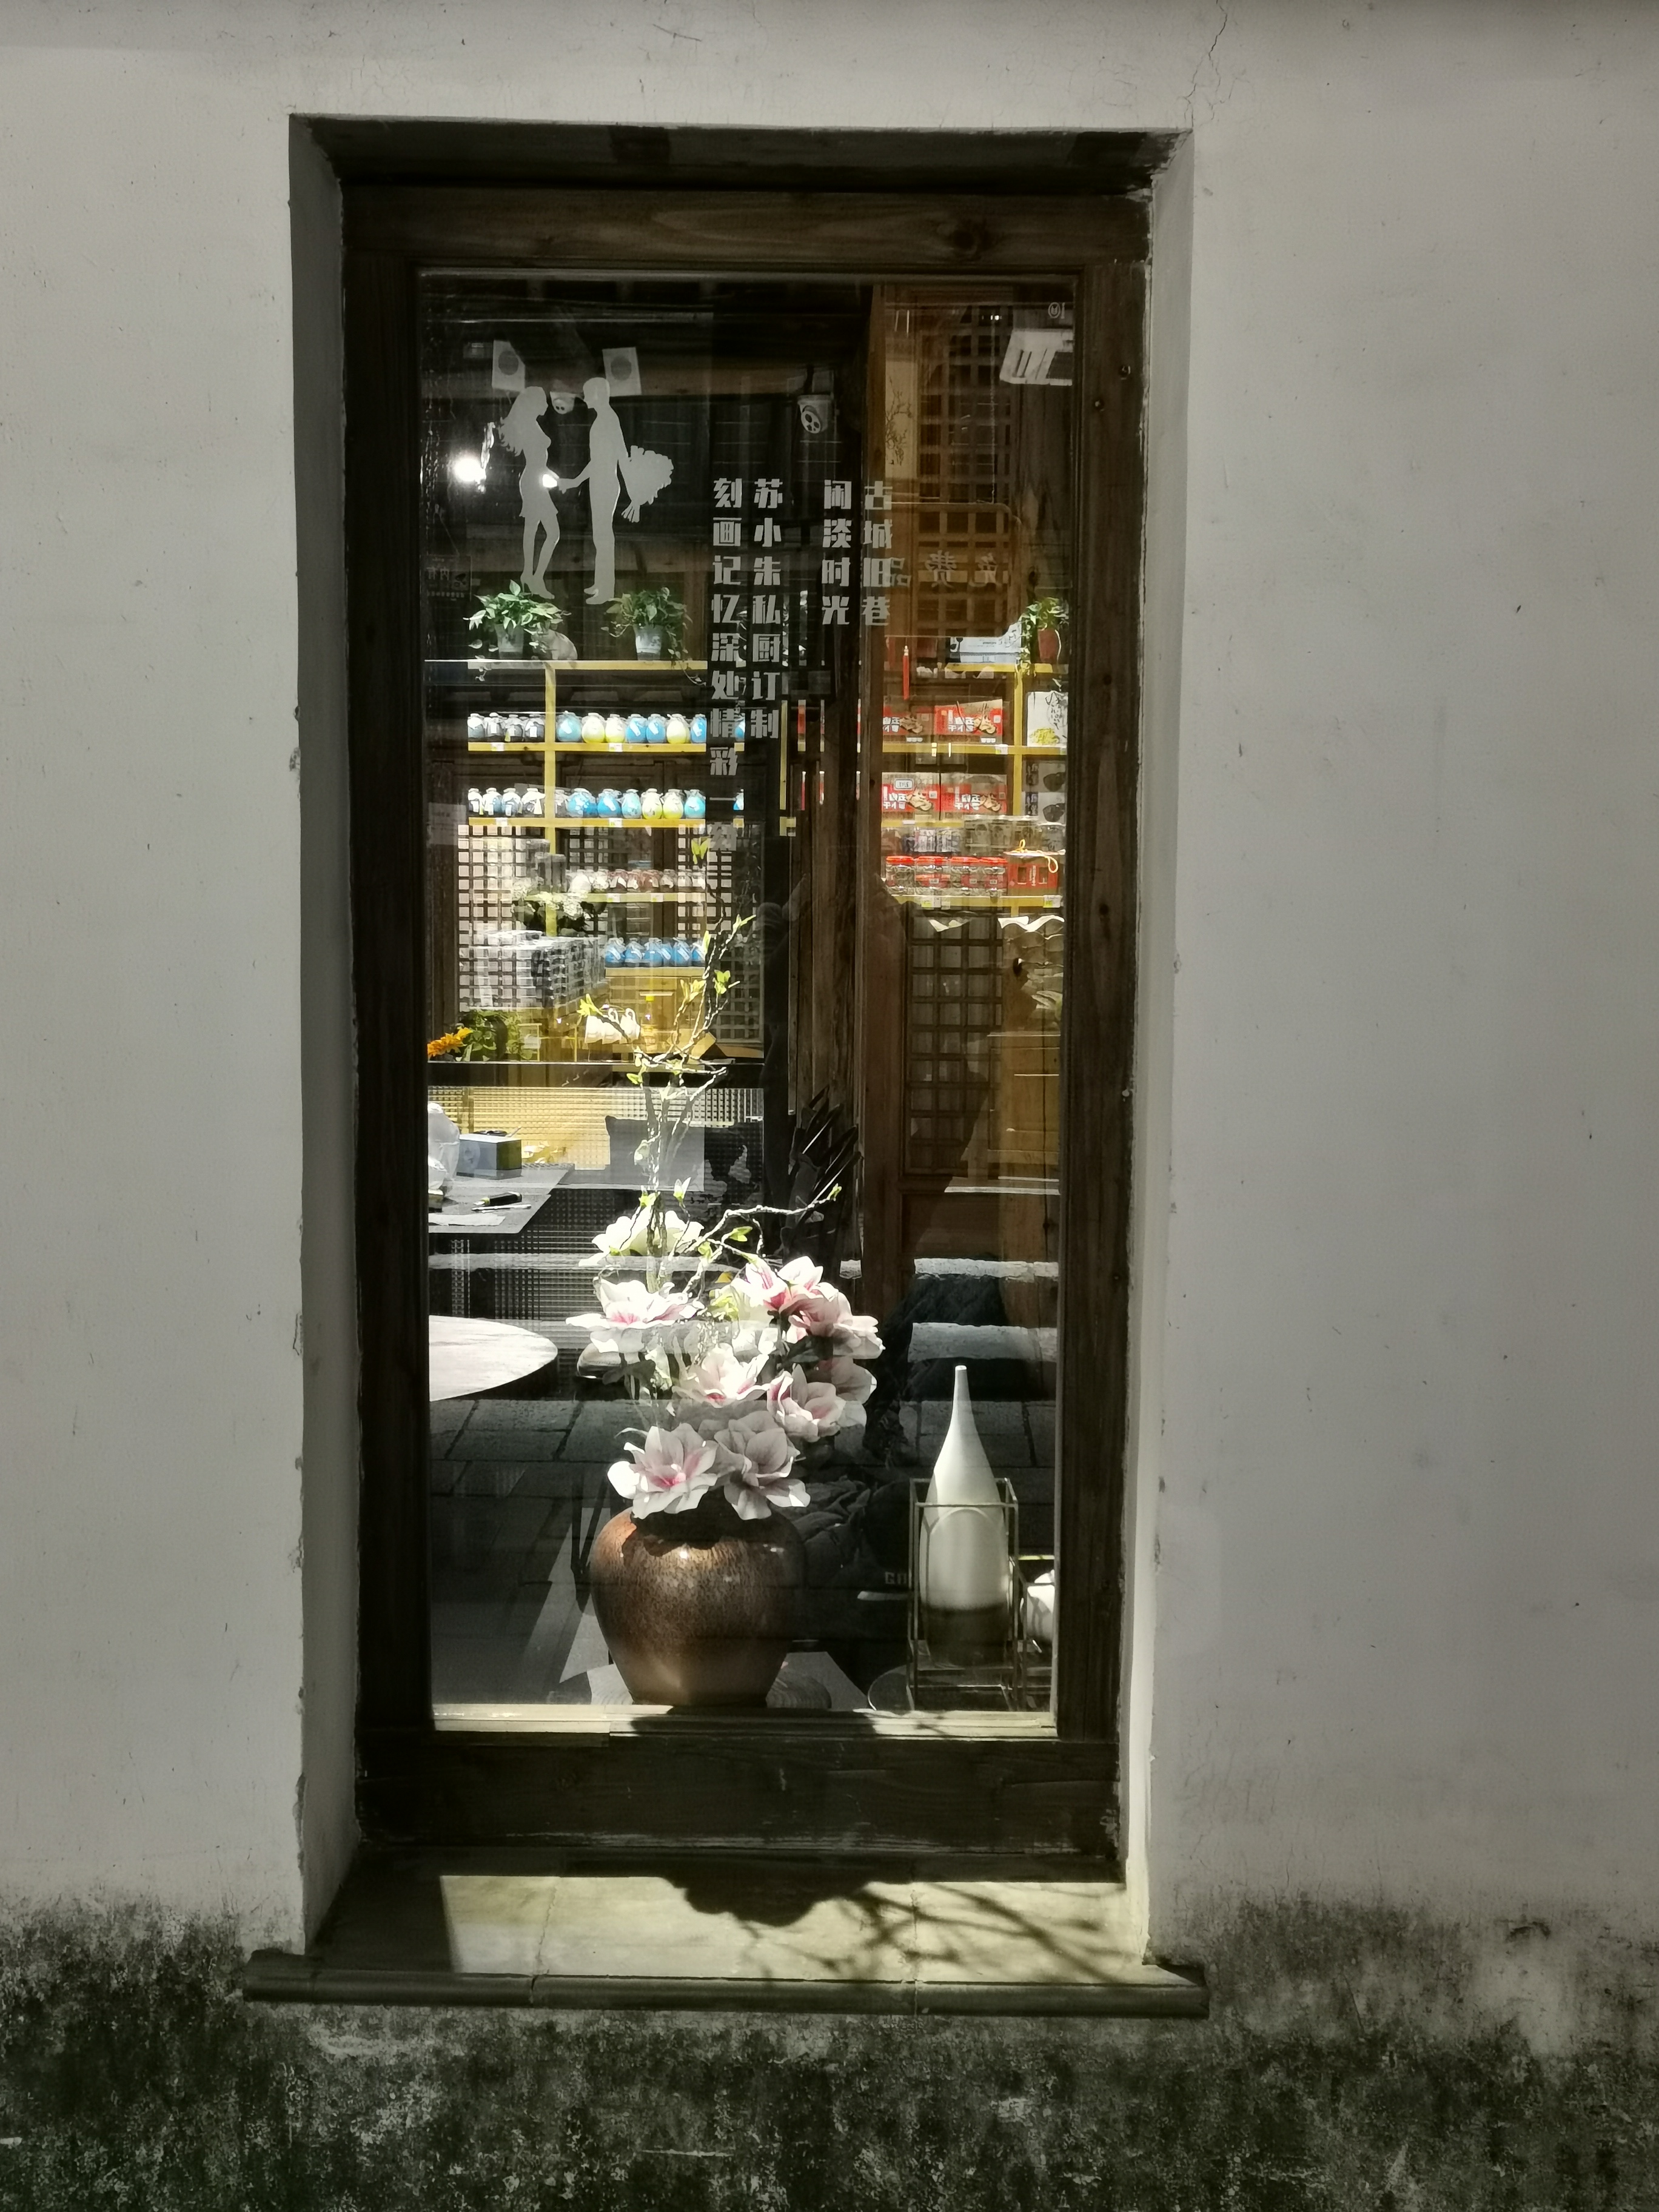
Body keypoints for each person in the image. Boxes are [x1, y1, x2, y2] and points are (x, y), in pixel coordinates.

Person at [558, 376, 672, 603]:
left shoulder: (608, 419)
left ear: (598, 394)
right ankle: (601, 583)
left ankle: (606, 588)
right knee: (599, 537)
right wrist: (575, 481)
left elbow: (619, 458)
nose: (585, 398)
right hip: (599, 483)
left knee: (604, 537)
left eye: (588, 394)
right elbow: (598, 460)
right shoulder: (603, 419)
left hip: (606, 484)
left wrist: (635, 494)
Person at [498, 385, 560, 597]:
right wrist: (551, 476)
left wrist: (553, 476)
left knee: (534, 529)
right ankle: (534, 577)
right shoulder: (528, 427)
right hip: (534, 481)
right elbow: (536, 462)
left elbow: (539, 462)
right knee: (550, 532)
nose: (547, 406)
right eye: (543, 401)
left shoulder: (531, 424)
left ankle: (530, 575)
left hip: (536, 479)